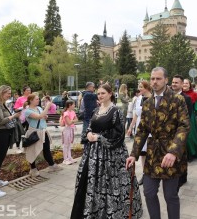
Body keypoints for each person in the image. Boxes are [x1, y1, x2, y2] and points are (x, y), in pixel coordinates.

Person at [126, 67, 190, 219]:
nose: (154, 82)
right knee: (148, 192)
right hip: (153, 154)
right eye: (152, 79)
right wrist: (134, 154)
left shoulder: (177, 100)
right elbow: (142, 130)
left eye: (158, 78)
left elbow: (184, 126)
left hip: (171, 155)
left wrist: (173, 152)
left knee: (170, 196)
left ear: (166, 80)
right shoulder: (147, 103)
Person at [71, 83, 142, 218]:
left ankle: (113, 212)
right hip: (93, 154)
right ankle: (94, 212)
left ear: (110, 94)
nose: (100, 96)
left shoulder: (116, 111)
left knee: (111, 183)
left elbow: (119, 134)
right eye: (98, 93)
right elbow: (90, 126)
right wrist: (89, 134)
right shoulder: (96, 110)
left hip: (111, 154)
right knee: (92, 182)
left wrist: (99, 137)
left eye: (103, 93)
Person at [0, 85, 21, 199]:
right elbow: (0, 120)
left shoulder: (2, 104)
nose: (9, 95)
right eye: (8, 93)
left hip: (2, 134)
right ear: (1, 93)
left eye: (10, 93)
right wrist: (13, 116)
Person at [23, 93, 61, 177]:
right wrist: (47, 106)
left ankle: (52, 165)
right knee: (32, 151)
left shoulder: (39, 108)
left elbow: (42, 116)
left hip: (43, 132)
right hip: (34, 133)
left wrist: (45, 116)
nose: (38, 100)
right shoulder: (28, 111)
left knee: (46, 149)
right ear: (31, 101)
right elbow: (39, 116)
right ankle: (33, 169)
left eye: (38, 99)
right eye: (36, 99)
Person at [126, 80, 152, 185]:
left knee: (151, 152)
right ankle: (145, 174)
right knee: (142, 153)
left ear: (147, 87)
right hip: (140, 128)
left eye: (141, 86)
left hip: (150, 130)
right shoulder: (138, 99)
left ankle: (153, 174)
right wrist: (130, 127)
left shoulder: (153, 98)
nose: (139, 88)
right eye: (139, 86)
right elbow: (136, 115)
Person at [171, 75, 194, 189]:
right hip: (169, 132)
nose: (174, 84)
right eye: (173, 82)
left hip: (181, 131)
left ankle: (182, 177)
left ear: (181, 84)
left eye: (176, 82)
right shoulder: (168, 96)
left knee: (182, 155)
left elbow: (188, 116)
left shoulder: (187, 98)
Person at [182, 79, 197, 160]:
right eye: (183, 83)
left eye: (186, 83)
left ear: (189, 85)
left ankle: (192, 153)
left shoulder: (194, 94)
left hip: (191, 117)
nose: (185, 84)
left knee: (190, 136)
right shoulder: (178, 94)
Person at [60, 100, 78, 165]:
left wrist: (72, 121)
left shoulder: (73, 112)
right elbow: (69, 123)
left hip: (71, 129)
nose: (74, 106)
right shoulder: (66, 113)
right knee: (66, 145)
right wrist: (73, 121)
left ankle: (69, 158)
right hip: (66, 129)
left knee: (69, 144)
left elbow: (76, 119)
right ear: (70, 105)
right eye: (73, 104)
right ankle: (65, 159)